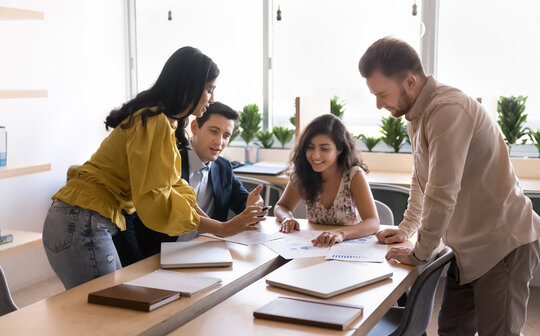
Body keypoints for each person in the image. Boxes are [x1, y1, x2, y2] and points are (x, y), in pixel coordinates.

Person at [358, 36, 540, 336]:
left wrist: (420, 253)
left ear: (410, 81)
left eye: (382, 94)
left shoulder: (447, 110)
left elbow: (442, 193)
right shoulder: (417, 113)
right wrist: (407, 229)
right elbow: (421, 177)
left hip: (502, 244)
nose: (378, 105)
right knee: (453, 335)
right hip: (467, 246)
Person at [43, 47, 265, 290]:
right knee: (107, 313)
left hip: (81, 219)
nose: (211, 99)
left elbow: (176, 190)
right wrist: (221, 228)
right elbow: (156, 198)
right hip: (83, 220)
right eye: (209, 89)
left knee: (106, 313)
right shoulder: (153, 120)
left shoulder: (162, 121)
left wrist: (219, 227)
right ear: (190, 85)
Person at [119, 101, 265, 260]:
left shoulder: (223, 167)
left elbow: (243, 202)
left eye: (226, 135)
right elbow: (131, 216)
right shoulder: (168, 161)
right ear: (195, 127)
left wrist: (255, 207)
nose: (219, 141)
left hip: (205, 251)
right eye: (214, 131)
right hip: (161, 254)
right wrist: (135, 261)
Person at [274, 114, 379, 247]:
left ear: (339, 149)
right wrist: (287, 218)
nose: (315, 155)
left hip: (349, 248)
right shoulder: (303, 173)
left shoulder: (353, 175)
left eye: (324, 148)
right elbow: (281, 206)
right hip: (316, 248)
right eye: (310, 147)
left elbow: (373, 222)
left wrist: (341, 234)